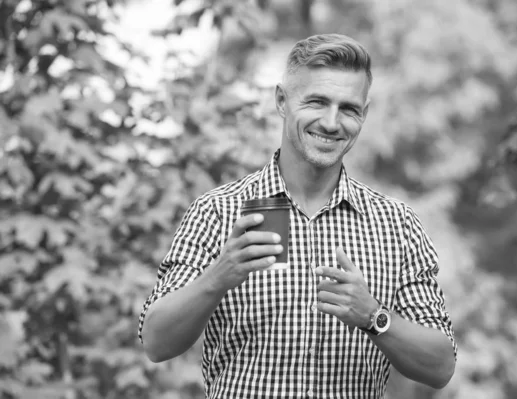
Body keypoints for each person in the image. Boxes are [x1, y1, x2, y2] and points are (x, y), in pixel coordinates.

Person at [139, 33, 456, 398]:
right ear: (281, 101)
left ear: (364, 115)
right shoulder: (217, 211)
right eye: (317, 102)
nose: (332, 122)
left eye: (348, 109)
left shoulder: (396, 225)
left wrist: (373, 316)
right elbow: (156, 342)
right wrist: (218, 277)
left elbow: (440, 366)